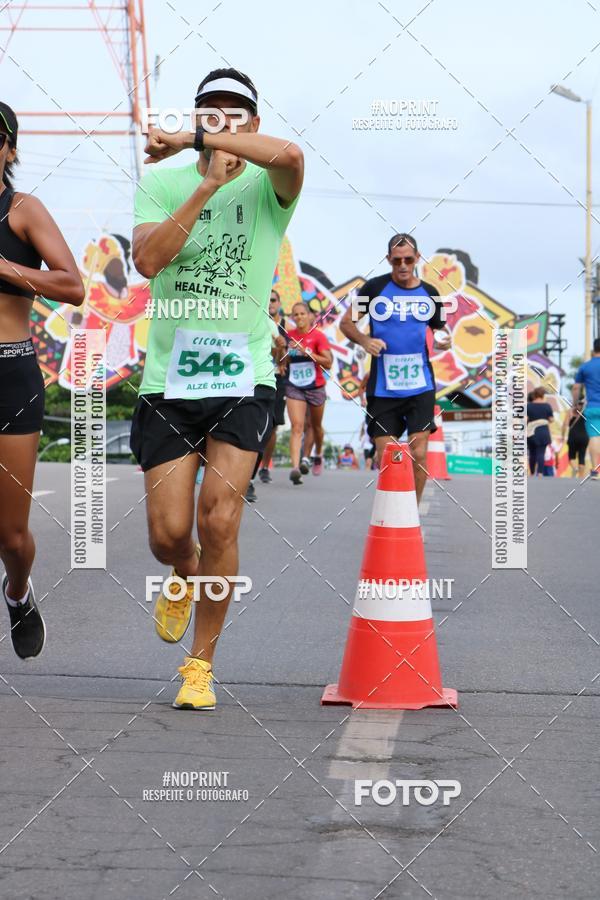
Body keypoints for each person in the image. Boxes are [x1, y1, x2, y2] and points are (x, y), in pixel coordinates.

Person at [131, 68, 303, 709]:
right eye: (211, 112)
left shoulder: (271, 185)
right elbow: (148, 260)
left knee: (221, 518)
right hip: (169, 379)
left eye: (236, 115)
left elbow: (292, 155)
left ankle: (199, 668)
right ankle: (184, 571)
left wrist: (188, 138)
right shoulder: (162, 181)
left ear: (252, 123)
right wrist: (202, 180)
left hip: (244, 376)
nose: (224, 122)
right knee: (169, 535)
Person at [0, 101, 85, 659]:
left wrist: (5, 269)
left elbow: (72, 285)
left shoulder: (22, 210)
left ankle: (19, 589)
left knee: (11, 537)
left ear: (7, 148)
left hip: (9, 371)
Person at [340, 233, 451, 503]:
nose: (402, 265)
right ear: (389, 259)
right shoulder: (374, 289)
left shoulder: (430, 293)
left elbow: (441, 329)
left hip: (420, 385)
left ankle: (410, 516)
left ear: (418, 259)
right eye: (397, 260)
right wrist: (365, 340)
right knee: (387, 456)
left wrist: (445, 339)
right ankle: (391, 511)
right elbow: (346, 323)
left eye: (408, 260)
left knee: (420, 453)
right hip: (383, 387)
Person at [284, 301, 332, 484]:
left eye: (302, 314)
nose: (299, 317)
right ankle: (296, 467)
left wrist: (307, 353)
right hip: (294, 386)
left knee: (315, 426)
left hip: (315, 386)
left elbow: (328, 362)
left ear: (309, 316)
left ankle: (317, 454)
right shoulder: (289, 336)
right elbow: (283, 357)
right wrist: (283, 359)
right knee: (297, 426)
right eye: (295, 315)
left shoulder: (318, 337)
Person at [257, 288, 287, 483]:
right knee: (256, 424)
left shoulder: (285, 326)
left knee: (273, 426)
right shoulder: (254, 318)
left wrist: (281, 352)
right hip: (253, 377)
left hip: (277, 378)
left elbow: (284, 355)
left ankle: (265, 466)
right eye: (266, 300)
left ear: (279, 303)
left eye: (273, 300)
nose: (270, 303)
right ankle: (249, 472)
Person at [572, 337, 600, 480]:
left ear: (593, 349)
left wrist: (575, 404)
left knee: (595, 437)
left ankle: (596, 471)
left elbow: (576, 387)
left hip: (593, 407)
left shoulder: (585, 367)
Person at [526, 386, 553, 476]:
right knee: (541, 453)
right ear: (542, 395)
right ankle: (540, 473)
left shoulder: (528, 406)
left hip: (531, 433)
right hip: (543, 432)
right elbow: (551, 419)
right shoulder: (547, 406)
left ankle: (532, 473)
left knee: (532, 453)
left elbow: (525, 419)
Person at [561, 400, 589, 478]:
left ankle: (575, 468)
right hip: (584, 437)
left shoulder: (571, 412)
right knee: (582, 457)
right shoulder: (587, 413)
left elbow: (564, 425)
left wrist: (563, 436)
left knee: (571, 456)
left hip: (573, 437)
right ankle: (581, 477)